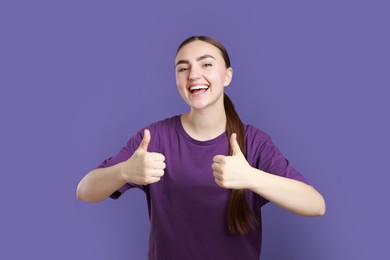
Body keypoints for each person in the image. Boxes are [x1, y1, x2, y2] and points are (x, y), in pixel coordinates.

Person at [76, 35, 326, 260]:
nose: (193, 75)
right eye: (183, 68)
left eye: (206, 64)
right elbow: (84, 190)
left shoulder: (253, 141)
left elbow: (315, 204)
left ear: (227, 75)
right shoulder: (155, 138)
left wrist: (251, 177)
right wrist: (124, 172)